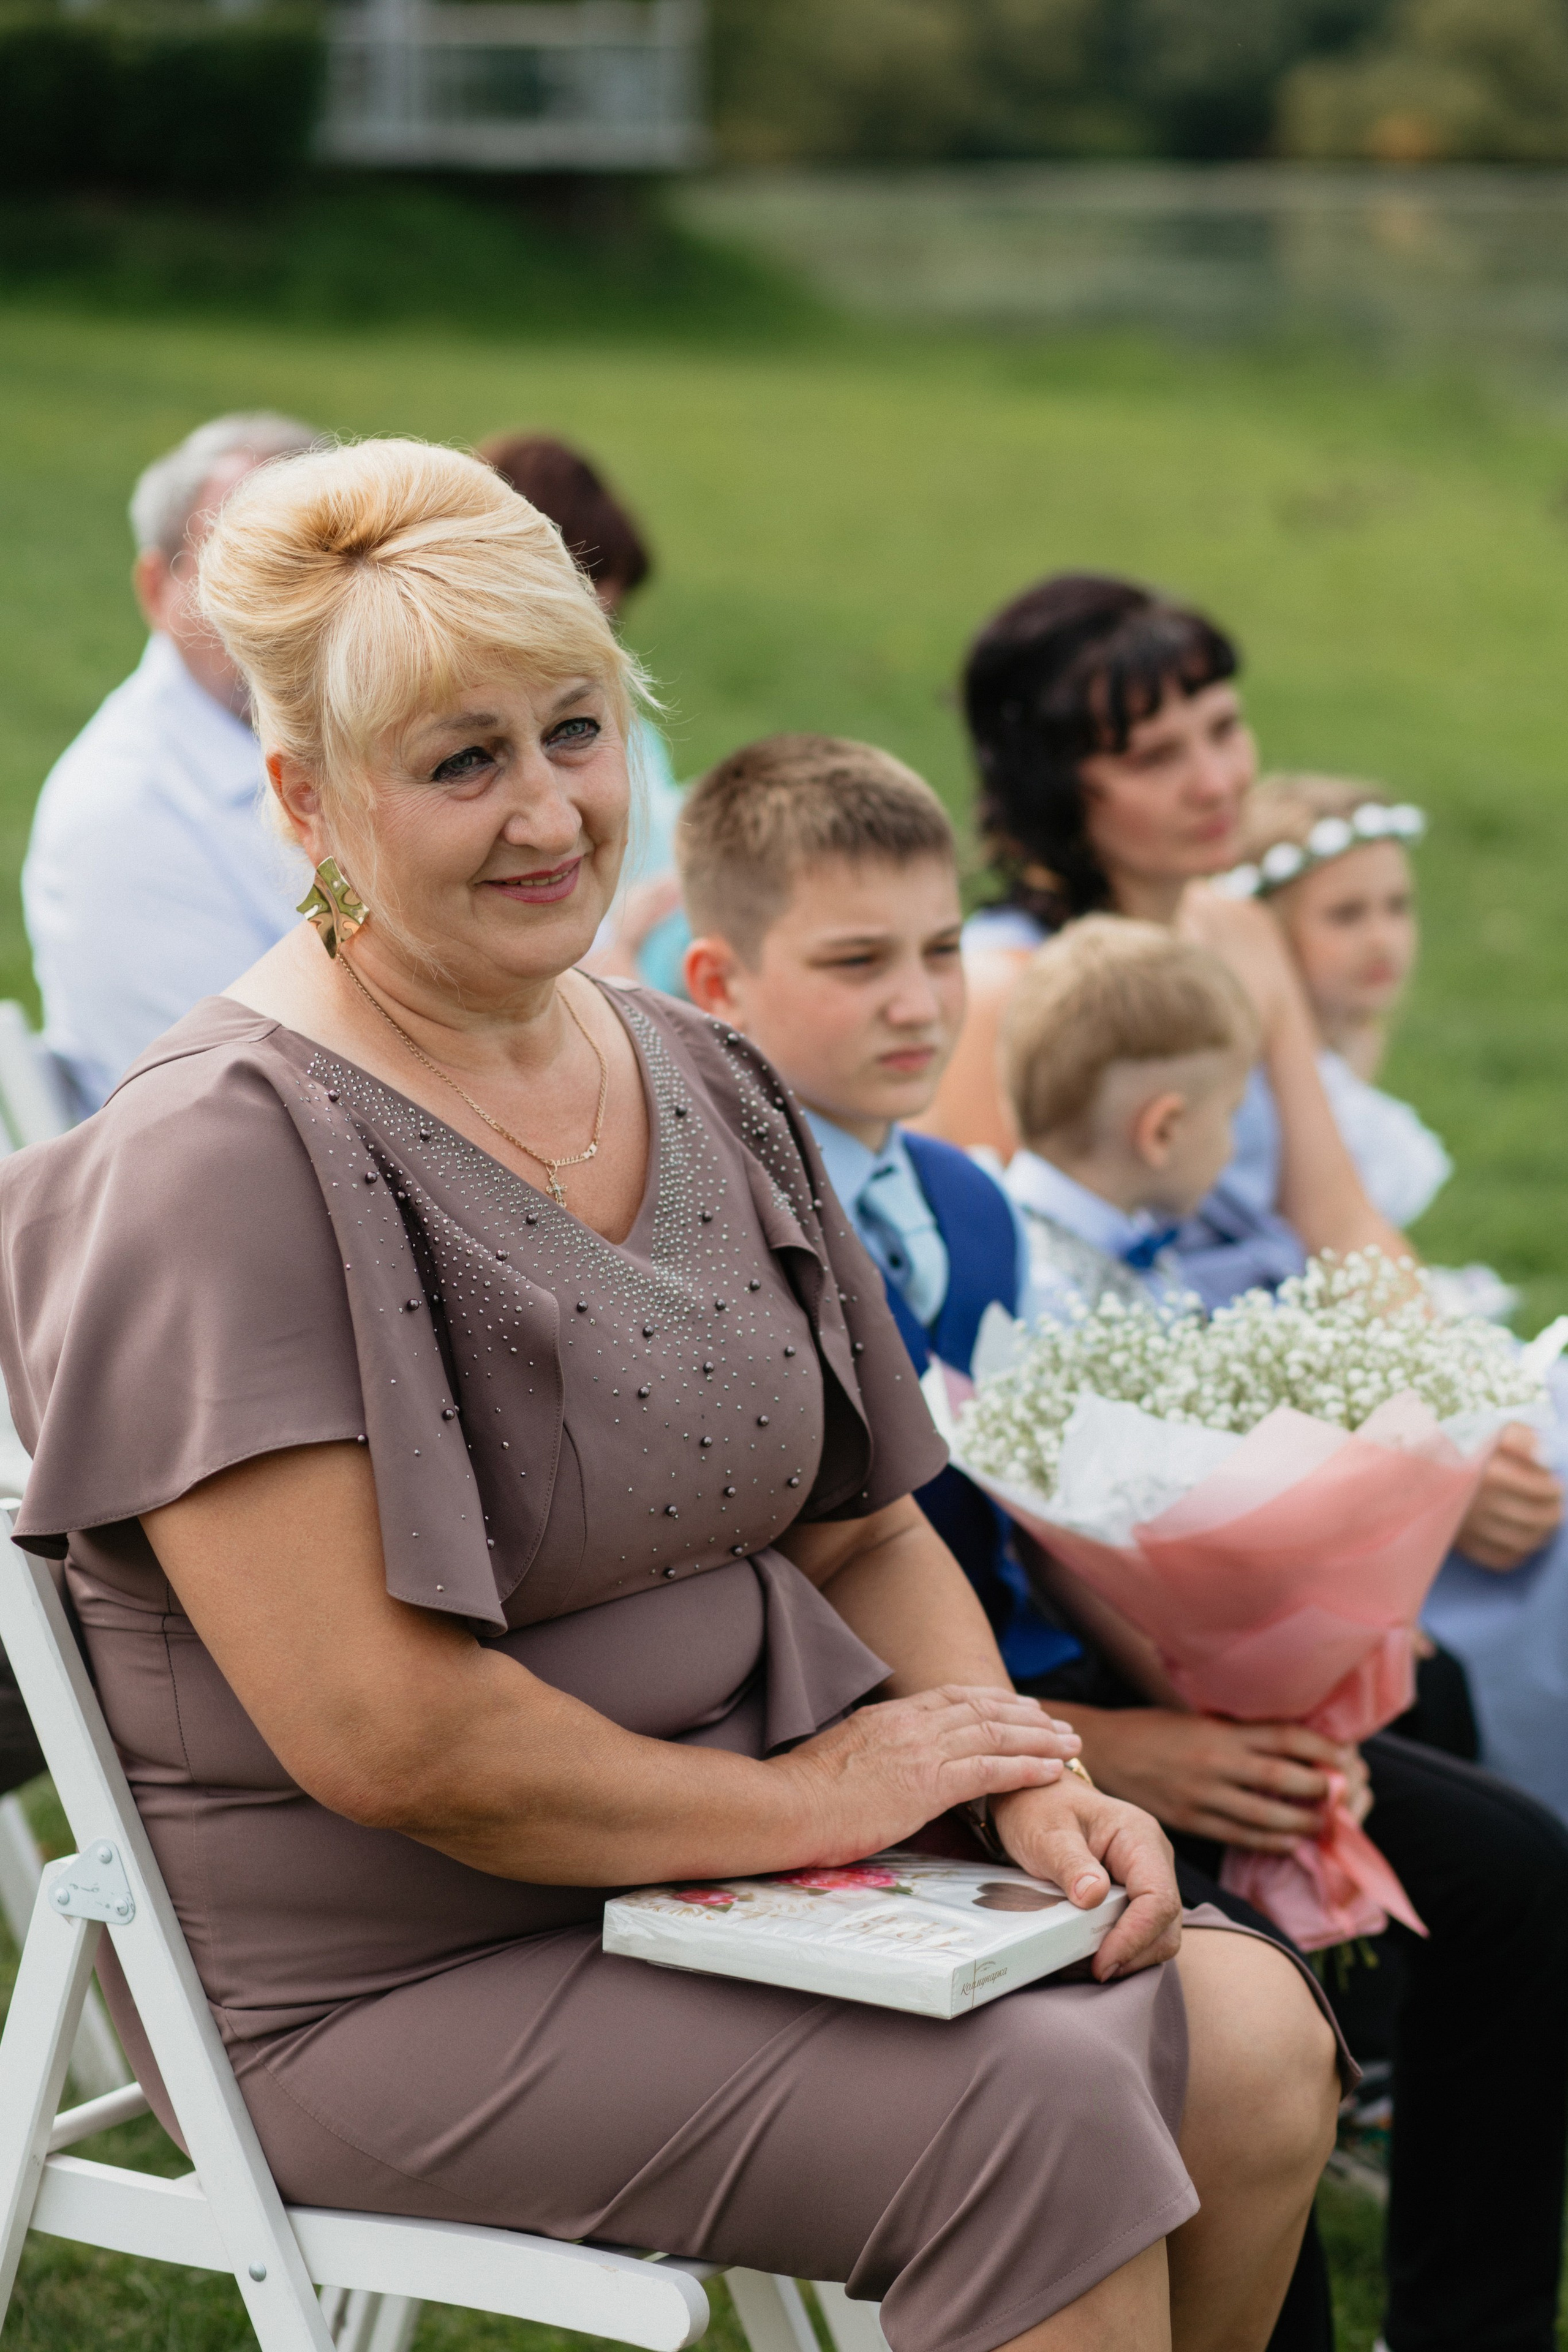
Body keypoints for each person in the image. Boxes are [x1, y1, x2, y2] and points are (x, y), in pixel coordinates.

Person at [0, 440, 1343, 2352]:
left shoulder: (696, 1067)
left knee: (1250, 2036)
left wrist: (1020, 1782)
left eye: (574, 729)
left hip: (763, 1871)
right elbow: (393, 1742)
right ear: (306, 796)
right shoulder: (219, 1154)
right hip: (394, 1970)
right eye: (461, 762)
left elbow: (866, 1520)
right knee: (1036, 2106)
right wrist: (798, 1797)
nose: (549, 812)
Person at [997, 914, 1568, 2352]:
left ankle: (1464, 2322)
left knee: (1509, 1862)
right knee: (1249, 1989)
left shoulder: (1133, 1255)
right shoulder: (1035, 1268)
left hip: (1202, 1711)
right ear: (1168, 1119)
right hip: (1075, 1738)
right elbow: (1068, 1543)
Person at [677, 731, 1077, 1683]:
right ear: (719, 985)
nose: (919, 1005)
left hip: (1048, 1675)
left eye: (942, 951)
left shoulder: (974, 1198)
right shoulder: (715, 1237)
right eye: (858, 963)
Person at [919, 572, 1406, 1305]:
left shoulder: (1239, 931)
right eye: (1155, 758)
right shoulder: (1001, 992)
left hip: (1294, 1334)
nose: (1214, 782)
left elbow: (1338, 1219)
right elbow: (1016, 1286)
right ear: (1050, 786)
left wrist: (1463, 1378)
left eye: (1222, 729)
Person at [1236, 775, 1568, 1820]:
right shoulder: (1269, 1099)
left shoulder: (1347, 1071)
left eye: (1396, 905)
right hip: (1341, 1405)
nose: (1382, 938)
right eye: (1344, 914)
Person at [23, 412, 320, 1113]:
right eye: (241, 571)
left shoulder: (365, 744)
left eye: (314, 567)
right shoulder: (121, 814)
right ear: (158, 589)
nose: (288, 611)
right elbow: (233, 1106)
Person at [478, 431, 687, 992]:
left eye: (607, 624)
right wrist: (621, 936)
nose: (594, 651)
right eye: (568, 618)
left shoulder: (625, 722)